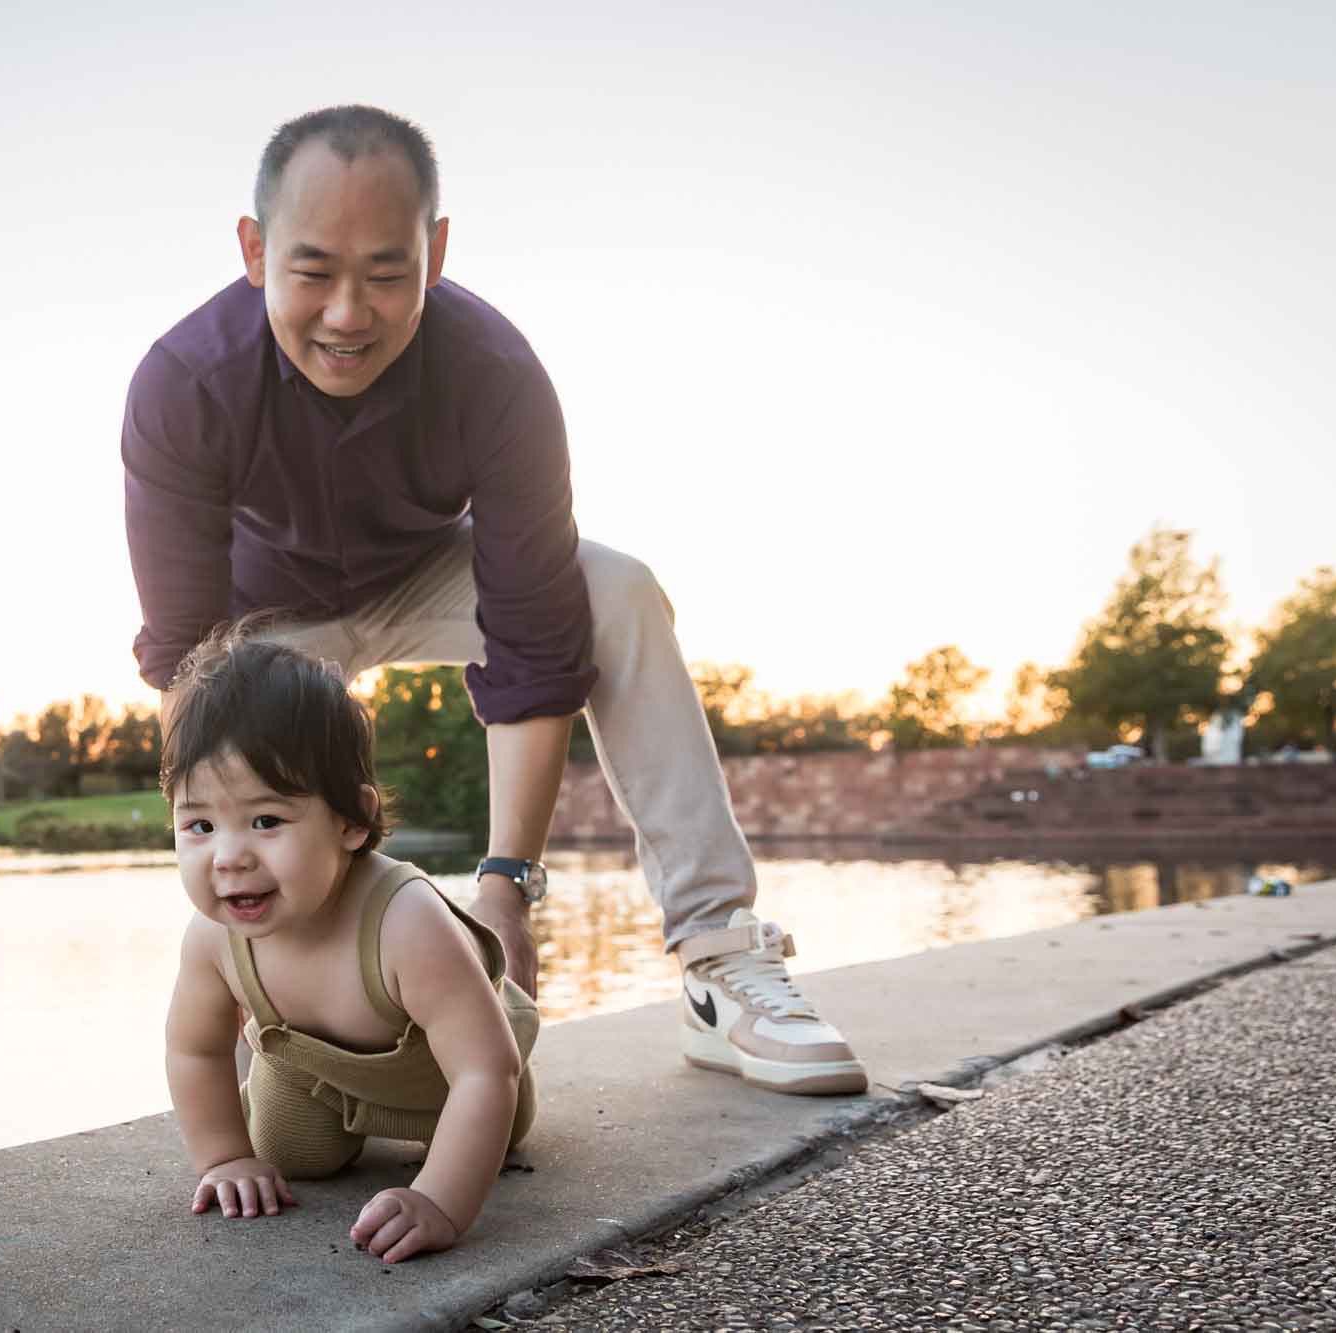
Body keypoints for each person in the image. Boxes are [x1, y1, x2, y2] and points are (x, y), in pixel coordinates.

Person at [123, 104, 865, 1097]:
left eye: (386, 273)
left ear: (434, 251)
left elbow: (532, 635)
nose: (348, 314)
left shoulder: (497, 373)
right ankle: (289, 1006)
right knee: (228, 701)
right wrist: (241, 930)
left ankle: (718, 960)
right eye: (313, 272)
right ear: (254, 252)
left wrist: (505, 882)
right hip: (269, 623)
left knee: (616, 589)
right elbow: (188, 658)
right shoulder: (182, 385)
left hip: (430, 574)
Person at [162, 628, 539, 1263]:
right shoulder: (213, 939)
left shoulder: (404, 921)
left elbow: (482, 1070)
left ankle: (462, 1143)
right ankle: (292, 1124)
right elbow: (194, 1050)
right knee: (286, 1155)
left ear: (352, 820)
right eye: (199, 824)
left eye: (266, 821)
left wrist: (440, 1201)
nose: (229, 857)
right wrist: (225, 1157)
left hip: (447, 1084)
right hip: (318, 1079)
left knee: (494, 1129)